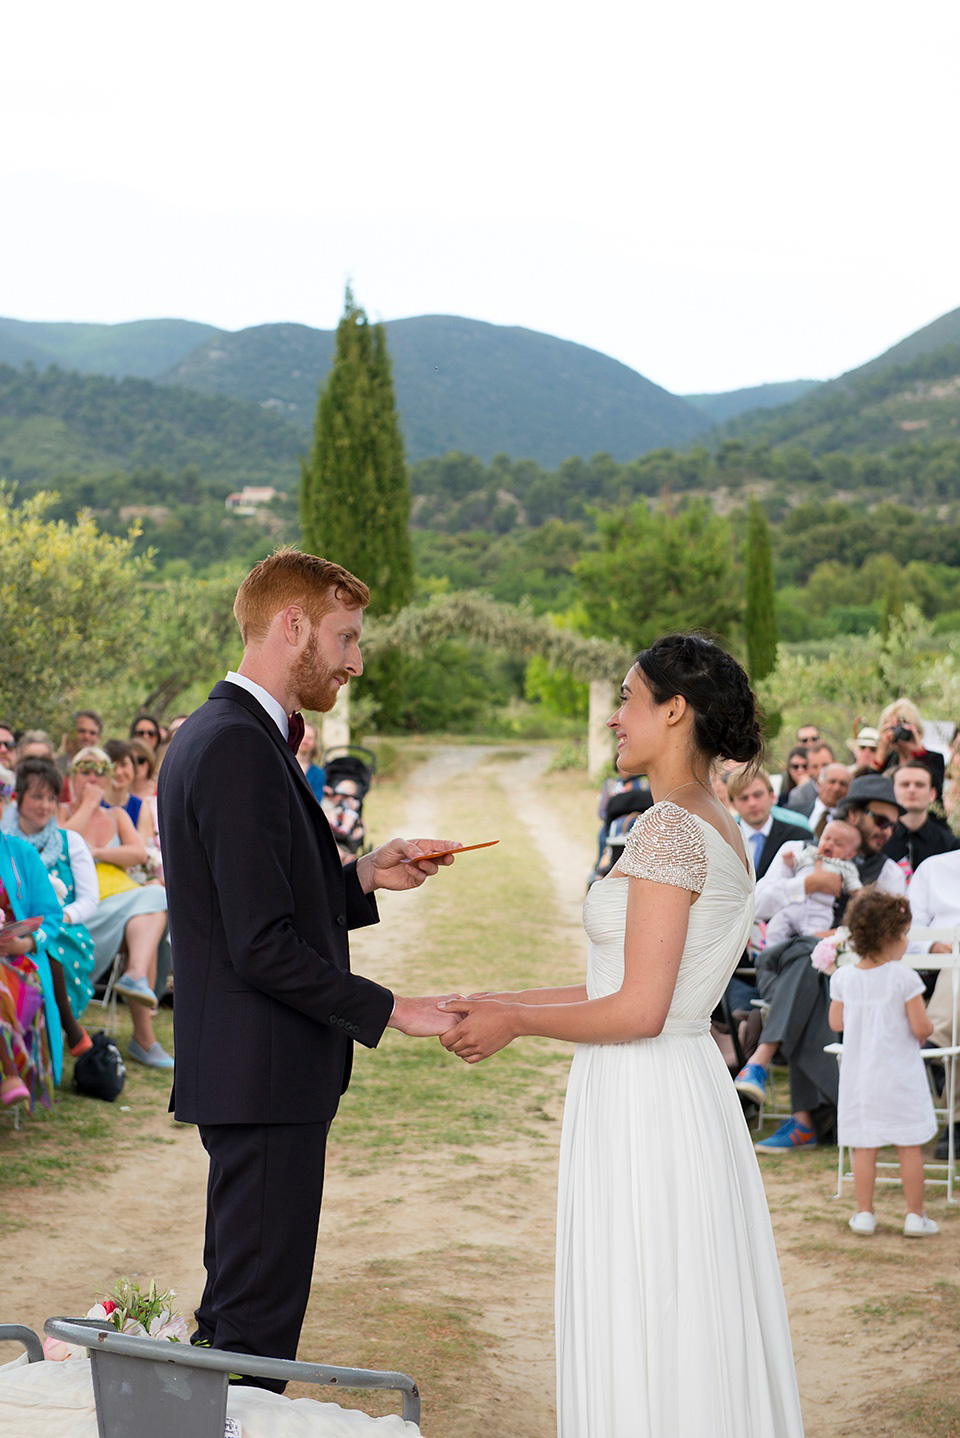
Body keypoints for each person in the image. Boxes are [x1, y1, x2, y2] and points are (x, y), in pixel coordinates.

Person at [440, 633, 804, 1437]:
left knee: (650, 1302)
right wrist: (496, 999)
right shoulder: (707, 818)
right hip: (672, 1081)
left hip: (648, 1092)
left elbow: (639, 1009)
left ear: (674, 712)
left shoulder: (671, 828)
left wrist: (518, 1023)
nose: (613, 718)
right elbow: (636, 987)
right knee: (673, 1307)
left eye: (627, 700)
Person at [157, 549, 462, 1388]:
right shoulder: (233, 746)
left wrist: (363, 874)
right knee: (253, 1342)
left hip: (258, 1075)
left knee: (237, 1322)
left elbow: (254, 905)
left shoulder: (232, 734)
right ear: (292, 627)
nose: (355, 660)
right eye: (346, 636)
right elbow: (258, 945)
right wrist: (396, 1008)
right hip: (262, 1077)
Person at [828, 890, 938, 1237]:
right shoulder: (903, 978)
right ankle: (914, 1216)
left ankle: (864, 1213)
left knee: (865, 1145)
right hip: (900, 1078)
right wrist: (927, 1027)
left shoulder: (843, 977)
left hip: (862, 1079)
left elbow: (836, 1023)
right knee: (909, 1146)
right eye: (903, 934)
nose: (907, 941)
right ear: (888, 938)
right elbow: (922, 1027)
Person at [63, 747, 172, 1068]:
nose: (93, 778)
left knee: (153, 901)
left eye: (99, 771)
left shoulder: (118, 815)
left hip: (123, 901)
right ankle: (143, 1037)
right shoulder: (58, 811)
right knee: (149, 911)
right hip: (81, 910)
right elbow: (62, 840)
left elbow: (138, 854)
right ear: (72, 776)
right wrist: (87, 806)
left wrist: (93, 851)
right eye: (85, 770)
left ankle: (136, 976)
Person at [1, 757, 98, 1057]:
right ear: (17, 798)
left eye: (51, 798)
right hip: (13, 929)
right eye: (36, 796)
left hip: (65, 930)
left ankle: (60, 1030)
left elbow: (89, 900)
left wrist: (59, 917)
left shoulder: (70, 842)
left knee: (47, 947)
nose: (44, 806)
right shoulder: (8, 845)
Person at [883, 761, 959, 877]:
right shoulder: (879, 840)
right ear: (892, 791)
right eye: (905, 784)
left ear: (932, 794)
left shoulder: (950, 845)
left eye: (920, 785)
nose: (912, 790)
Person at [871, 699, 946, 802]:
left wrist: (918, 752)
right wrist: (880, 753)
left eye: (900, 727)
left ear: (915, 729)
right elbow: (869, 790)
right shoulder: (887, 761)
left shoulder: (933, 758)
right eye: (892, 728)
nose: (896, 732)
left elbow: (936, 794)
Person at [295, 719, 326, 801]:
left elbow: (316, 801)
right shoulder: (284, 765)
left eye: (309, 738)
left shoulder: (318, 773)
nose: (305, 741)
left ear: (315, 743)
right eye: (303, 736)